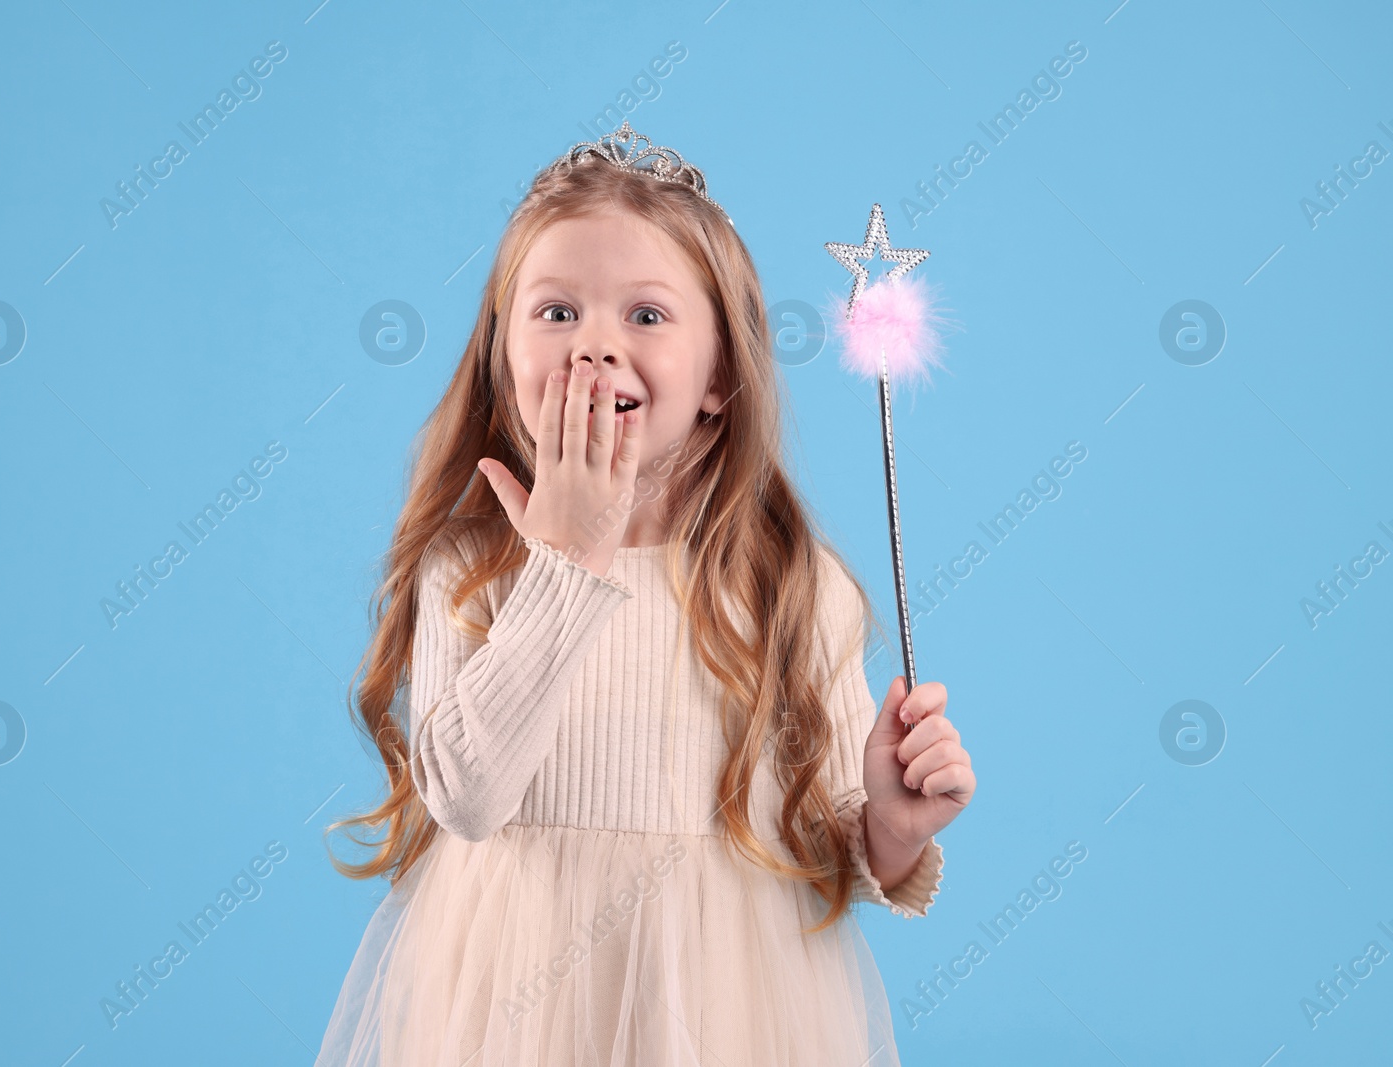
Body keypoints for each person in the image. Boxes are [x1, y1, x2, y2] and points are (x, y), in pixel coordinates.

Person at [317, 121, 976, 1066]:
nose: (595, 348)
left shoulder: (789, 582)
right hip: (519, 1005)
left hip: (734, 1007)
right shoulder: (470, 569)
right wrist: (568, 561)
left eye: (648, 315)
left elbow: (826, 842)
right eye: (556, 313)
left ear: (719, 377)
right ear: (506, 359)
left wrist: (892, 828)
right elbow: (465, 797)